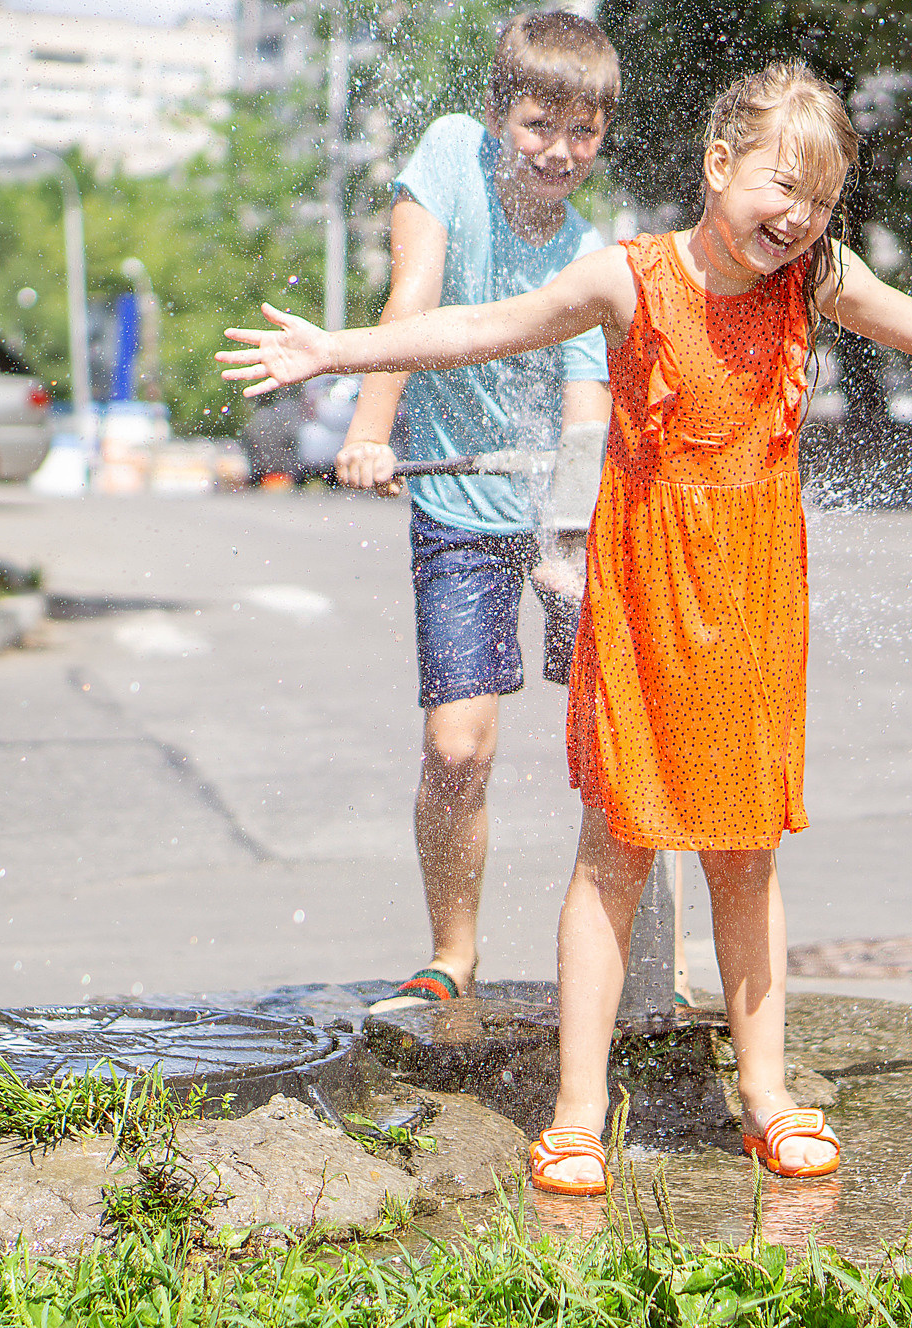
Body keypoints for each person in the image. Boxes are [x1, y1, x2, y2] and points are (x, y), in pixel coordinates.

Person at [218, 60, 912, 1193]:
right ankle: (577, 1111)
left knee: (744, 851)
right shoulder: (627, 281)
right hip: (640, 601)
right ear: (717, 165)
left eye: (820, 201)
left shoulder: (814, 278)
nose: (797, 218)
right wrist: (336, 352)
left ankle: (766, 1092)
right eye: (781, 187)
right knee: (616, 848)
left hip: (752, 604)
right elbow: (482, 327)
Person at [333, 12, 620, 1011]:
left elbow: (589, 404)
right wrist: (372, 428)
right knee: (458, 749)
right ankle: (452, 952)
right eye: (539, 123)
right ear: (500, 112)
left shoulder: (591, 247)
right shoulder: (451, 152)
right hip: (457, 504)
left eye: (581, 133)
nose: (557, 151)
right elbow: (410, 297)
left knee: (627, 743)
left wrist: (571, 541)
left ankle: (633, 948)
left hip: (560, 514)